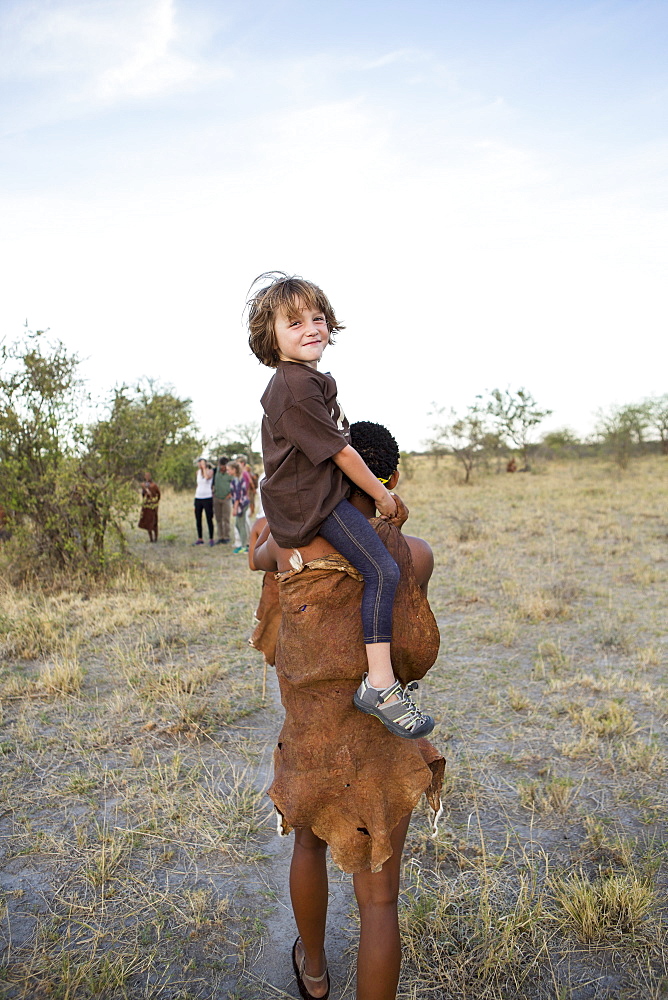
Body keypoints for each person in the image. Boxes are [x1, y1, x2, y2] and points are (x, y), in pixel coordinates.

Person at [249, 421, 443, 1000]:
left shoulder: (289, 549)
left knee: (308, 844)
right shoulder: (415, 556)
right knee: (380, 900)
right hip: (380, 743)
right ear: (392, 479)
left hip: (311, 738)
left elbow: (260, 549)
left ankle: (313, 974)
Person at [247, 272, 434, 740]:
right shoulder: (292, 386)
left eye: (317, 317)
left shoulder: (309, 381)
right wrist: (382, 494)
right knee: (385, 571)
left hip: (308, 497)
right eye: (294, 322)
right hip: (314, 503)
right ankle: (381, 684)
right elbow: (342, 452)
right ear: (270, 337)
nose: (311, 327)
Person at [228, 460, 250, 553]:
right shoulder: (235, 479)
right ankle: (244, 543)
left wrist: (235, 508)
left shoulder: (239, 479)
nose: (227, 471)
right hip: (240, 504)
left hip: (241, 505)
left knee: (241, 525)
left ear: (234, 469)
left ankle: (244, 546)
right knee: (238, 524)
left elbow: (238, 496)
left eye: (229, 469)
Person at [193, 457, 214, 546]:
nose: (200, 465)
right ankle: (200, 538)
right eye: (199, 463)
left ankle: (211, 538)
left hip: (207, 497)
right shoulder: (197, 472)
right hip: (198, 497)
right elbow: (199, 484)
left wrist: (204, 468)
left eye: (202, 463)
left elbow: (206, 477)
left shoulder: (210, 471)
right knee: (198, 518)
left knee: (209, 518)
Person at [212, 456, 232, 544]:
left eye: (224, 467)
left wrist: (230, 494)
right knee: (218, 518)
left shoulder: (230, 473)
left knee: (226, 518)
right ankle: (220, 537)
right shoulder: (215, 471)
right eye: (221, 466)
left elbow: (234, 484)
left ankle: (227, 536)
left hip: (226, 499)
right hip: (216, 498)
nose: (223, 468)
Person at [138, 472, 160, 542]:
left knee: (154, 521)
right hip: (146, 506)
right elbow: (143, 495)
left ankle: (156, 538)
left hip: (153, 506)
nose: (147, 477)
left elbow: (158, 494)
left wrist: (155, 502)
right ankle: (151, 538)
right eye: (146, 476)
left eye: (148, 476)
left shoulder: (154, 485)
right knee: (147, 522)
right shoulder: (144, 485)